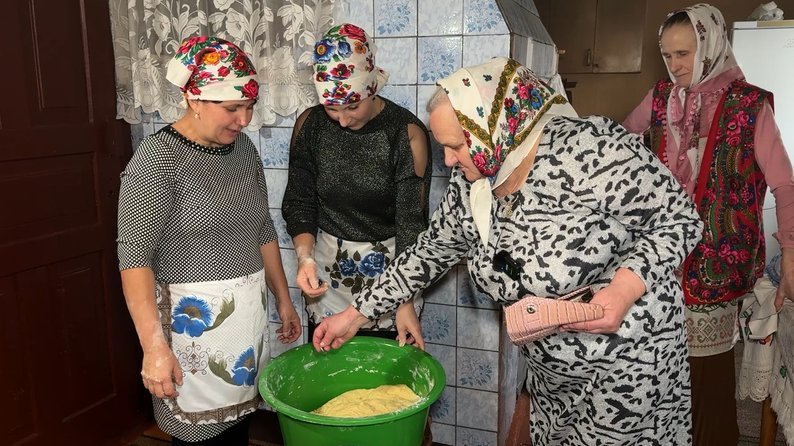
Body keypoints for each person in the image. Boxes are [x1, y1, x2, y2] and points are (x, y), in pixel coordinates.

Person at [312, 57, 703, 445]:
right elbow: (429, 251)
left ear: (494, 128)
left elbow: (680, 219)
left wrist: (623, 289)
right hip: (553, 374)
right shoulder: (472, 182)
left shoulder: (588, 150)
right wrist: (355, 314)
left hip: (628, 365)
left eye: (456, 146)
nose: (448, 160)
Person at [117, 36, 302, 445]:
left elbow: (262, 228)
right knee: (200, 435)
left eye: (250, 106)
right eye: (233, 108)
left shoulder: (243, 151)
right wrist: (153, 347)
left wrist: (284, 300)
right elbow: (134, 257)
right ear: (194, 99)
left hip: (244, 324)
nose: (244, 119)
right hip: (193, 331)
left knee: (239, 428)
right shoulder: (158, 159)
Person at [622, 4, 794, 444]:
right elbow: (618, 143)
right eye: (667, 55)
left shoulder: (748, 105)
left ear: (711, 45)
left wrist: (791, 251)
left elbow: (784, 183)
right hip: (661, 262)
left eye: (684, 53)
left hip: (717, 265)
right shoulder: (661, 98)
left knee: (706, 379)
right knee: (658, 372)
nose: (675, 65)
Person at [282, 23, 432, 349]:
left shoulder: (406, 134)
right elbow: (300, 200)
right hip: (327, 272)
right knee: (331, 365)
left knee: (384, 370)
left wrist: (404, 299)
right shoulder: (310, 125)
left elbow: (412, 224)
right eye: (331, 108)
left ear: (372, 87)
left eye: (352, 106)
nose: (342, 120)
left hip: (391, 273)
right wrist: (304, 258)